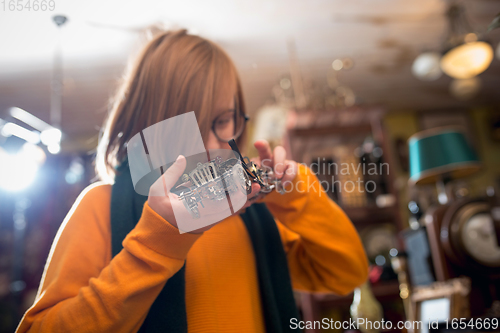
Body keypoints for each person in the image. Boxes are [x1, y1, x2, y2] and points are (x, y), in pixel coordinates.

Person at [16, 29, 368, 333]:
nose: (213, 142)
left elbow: (345, 274)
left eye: (225, 119)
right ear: (150, 127)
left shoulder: (254, 212)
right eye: (190, 126)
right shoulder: (100, 206)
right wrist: (156, 245)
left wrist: (296, 196)